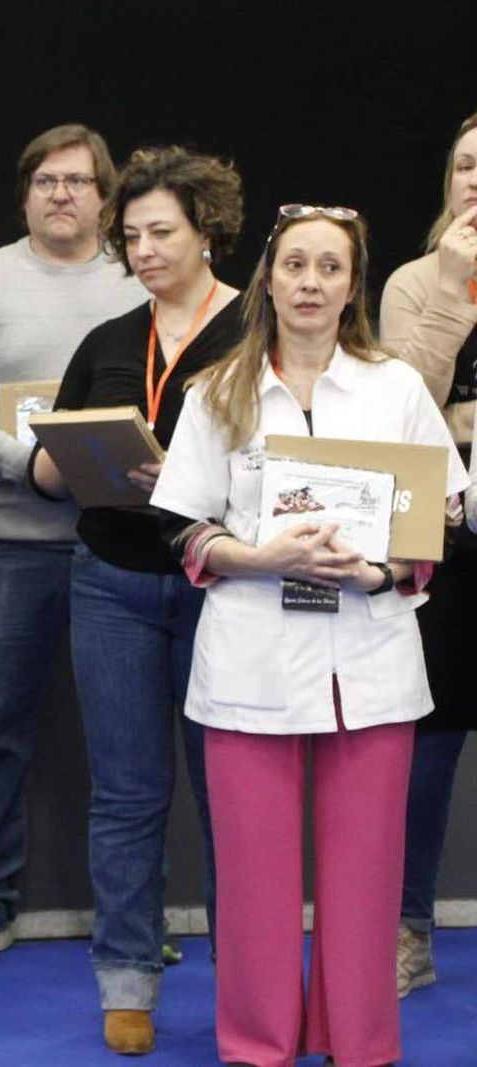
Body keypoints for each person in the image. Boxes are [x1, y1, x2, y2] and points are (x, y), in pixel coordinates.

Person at [153, 204, 465, 1067]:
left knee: (365, 877)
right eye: (296, 265)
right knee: (254, 882)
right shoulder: (219, 389)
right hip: (251, 651)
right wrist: (257, 554)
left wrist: (385, 571)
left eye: (331, 268)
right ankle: (259, 1045)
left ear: (353, 285)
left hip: (370, 653)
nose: (311, 283)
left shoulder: (394, 387)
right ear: (269, 277)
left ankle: (358, 1042)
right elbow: (180, 527)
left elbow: (441, 512)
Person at [29, 146, 243, 1055]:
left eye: (162, 232)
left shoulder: (256, 334)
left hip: (225, 586)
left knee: (232, 792)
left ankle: (252, 975)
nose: (145, 249)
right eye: (133, 236)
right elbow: (44, 473)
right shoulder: (112, 339)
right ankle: (127, 980)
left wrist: (194, 478)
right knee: (125, 796)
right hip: (112, 579)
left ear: (208, 232)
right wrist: (64, 460)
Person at [0, 123, 145, 965]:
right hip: (8, 543)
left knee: (128, 742)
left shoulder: (143, 283)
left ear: (107, 196)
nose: (63, 194)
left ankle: (133, 917)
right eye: (47, 181)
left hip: (125, 546)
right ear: (25, 193)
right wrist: (40, 466)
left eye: (80, 181)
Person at [379, 108, 477, 999]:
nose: (474, 182)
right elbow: (401, 404)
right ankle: (409, 926)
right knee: (429, 742)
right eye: (463, 167)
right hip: (448, 540)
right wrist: (452, 292)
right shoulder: (413, 281)